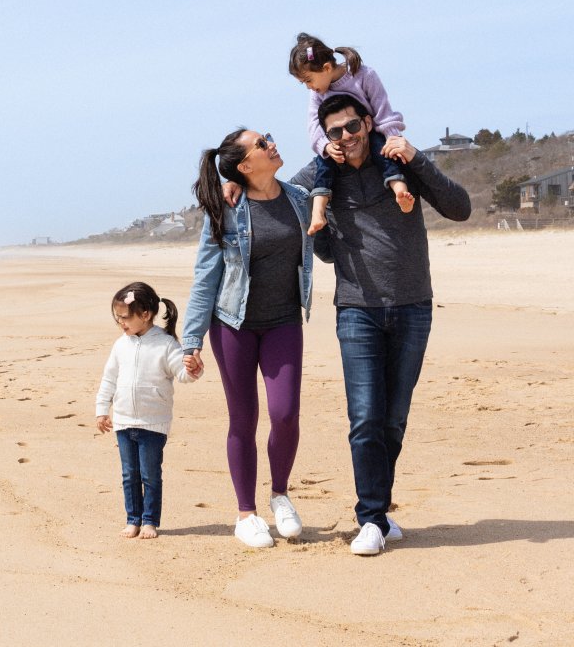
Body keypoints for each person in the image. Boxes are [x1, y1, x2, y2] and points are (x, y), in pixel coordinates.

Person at [288, 94, 471, 555]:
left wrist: (416, 157)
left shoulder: (398, 161)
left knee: (393, 419)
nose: (345, 138)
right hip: (356, 309)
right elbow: (277, 197)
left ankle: (378, 512)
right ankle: (370, 517)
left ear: (368, 123)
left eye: (352, 127)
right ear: (325, 137)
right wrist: (232, 184)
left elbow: (460, 208)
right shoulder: (320, 172)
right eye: (335, 132)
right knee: (366, 416)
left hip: (413, 306)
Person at [181, 129, 313, 549]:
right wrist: (191, 340)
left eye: (269, 137)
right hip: (232, 325)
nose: (272, 143)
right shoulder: (226, 209)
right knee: (244, 419)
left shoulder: (298, 197)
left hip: (283, 321)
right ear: (244, 166)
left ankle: (280, 494)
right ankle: (246, 514)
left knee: (286, 412)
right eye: (262, 143)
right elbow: (206, 275)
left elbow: (327, 169)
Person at [96, 281, 202, 539]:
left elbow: (183, 374)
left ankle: (149, 521)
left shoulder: (166, 344)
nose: (121, 323)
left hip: (153, 423)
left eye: (124, 318)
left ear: (145, 315)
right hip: (123, 421)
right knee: (128, 475)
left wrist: (193, 369)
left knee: (150, 475)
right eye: (118, 318)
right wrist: (102, 409)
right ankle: (132, 519)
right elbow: (109, 378)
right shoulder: (121, 345)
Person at [289, 32, 415, 235]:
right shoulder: (317, 94)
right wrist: (325, 145)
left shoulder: (364, 75)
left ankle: (400, 190)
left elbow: (382, 109)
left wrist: (392, 137)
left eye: (308, 80)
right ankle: (318, 211)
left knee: (383, 153)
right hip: (335, 141)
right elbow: (313, 124)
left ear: (326, 68)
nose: (308, 87)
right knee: (324, 164)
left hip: (369, 133)